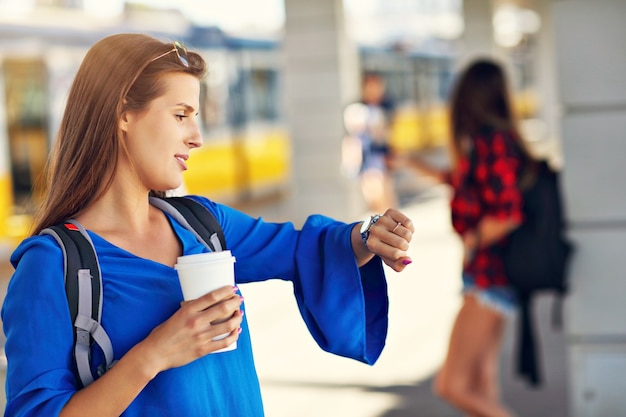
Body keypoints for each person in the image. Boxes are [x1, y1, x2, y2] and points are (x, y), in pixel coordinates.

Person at [1, 34, 415, 417]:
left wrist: (368, 235)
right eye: (180, 114)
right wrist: (155, 354)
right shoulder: (52, 265)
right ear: (123, 113)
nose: (197, 137)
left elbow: (305, 248)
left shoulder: (202, 224)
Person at [399, 58, 534, 417]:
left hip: (489, 277)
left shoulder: (492, 142)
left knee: (451, 385)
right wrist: (414, 164)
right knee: (480, 383)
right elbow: (463, 181)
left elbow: (508, 213)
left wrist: (472, 240)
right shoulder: (490, 142)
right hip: (491, 276)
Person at [342, 72, 398, 213]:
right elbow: (352, 138)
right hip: (367, 158)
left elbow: (388, 135)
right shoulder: (357, 109)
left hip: (382, 158)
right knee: (374, 198)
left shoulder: (387, 106)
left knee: (386, 197)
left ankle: (390, 229)